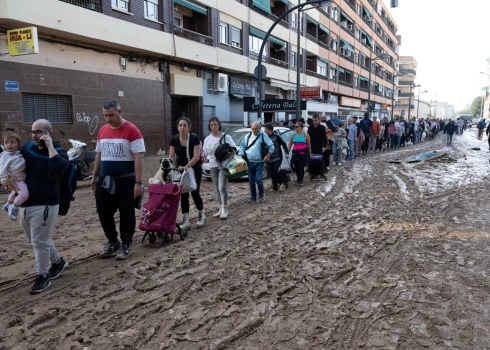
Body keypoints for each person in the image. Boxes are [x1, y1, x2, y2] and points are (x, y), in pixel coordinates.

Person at [19, 119, 69, 293]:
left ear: (49, 133)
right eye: (33, 131)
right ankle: (58, 262)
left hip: (46, 203)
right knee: (36, 239)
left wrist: (49, 147)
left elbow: (60, 169)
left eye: (39, 132)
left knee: (39, 240)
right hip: (25, 202)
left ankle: (42, 276)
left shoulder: (59, 152)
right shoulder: (27, 148)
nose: (35, 135)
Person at [91, 100, 145, 260]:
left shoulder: (132, 131)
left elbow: (139, 159)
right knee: (102, 210)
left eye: (111, 115)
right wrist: (94, 175)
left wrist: (139, 183)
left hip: (127, 180)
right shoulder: (102, 131)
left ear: (120, 112)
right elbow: (99, 155)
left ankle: (126, 243)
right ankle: (113, 241)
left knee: (126, 212)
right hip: (105, 180)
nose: (108, 119)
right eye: (105, 115)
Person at [169, 117, 205, 228]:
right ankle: (186, 220)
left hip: (194, 169)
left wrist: (186, 167)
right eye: (180, 125)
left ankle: (201, 215)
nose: (182, 128)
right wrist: (169, 165)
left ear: (189, 127)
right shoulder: (174, 139)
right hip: (180, 169)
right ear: (177, 127)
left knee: (195, 192)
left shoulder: (194, 138)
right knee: (183, 194)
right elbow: (171, 156)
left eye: (185, 125)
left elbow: (196, 156)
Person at [203, 117, 237, 219]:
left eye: (215, 125)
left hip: (223, 165)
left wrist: (230, 157)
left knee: (222, 187)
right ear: (209, 126)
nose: (213, 127)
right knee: (216, 187)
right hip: (212, 165)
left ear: (219, 125)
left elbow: (234, 149)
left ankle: (225, 209)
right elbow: (204, 153)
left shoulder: (226, 136)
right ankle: (220, 208)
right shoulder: (207, 139)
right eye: (211, 125)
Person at [239, 121, 274, 202]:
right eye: (252, 129)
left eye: (256, 129)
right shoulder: (248, 136)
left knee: (259, 179)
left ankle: (261, 194)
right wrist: (240, 156)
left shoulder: (263, 135)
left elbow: (271, 146)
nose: (254, 131)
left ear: (259, 128)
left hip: (260, 162)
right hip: (250, 162)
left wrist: (268, 155)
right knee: (251, 180)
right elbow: (242, 147)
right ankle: (253, 197)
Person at [1, 128, 29, 221]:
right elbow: (2, 168)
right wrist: (3, 180)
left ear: (18, 144)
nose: (9, 144)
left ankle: (8, 204)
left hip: (21, 177)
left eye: (12, 142)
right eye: (6, 143)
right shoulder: (5, 155)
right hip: (16, 178)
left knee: (15, 192)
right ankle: (13, 207)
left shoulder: (17, 152)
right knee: (24, 194)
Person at [264, 123, 288, 192]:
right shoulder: (265, 138)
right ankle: (275, 187)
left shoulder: (277, 137)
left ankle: (282, 182)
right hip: (269, 158)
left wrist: (287, 153)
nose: (264, 131)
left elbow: (284, 144)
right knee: (271, 173)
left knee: (275, 171)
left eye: (265, 129)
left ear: (270, 130)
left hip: (277, 157)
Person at [287, 121, 311, 186]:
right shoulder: (293, 135)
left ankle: (300, 180)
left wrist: (310, 153)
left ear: (301, 127)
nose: (295, 128)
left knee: (300, 167)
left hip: (302, 154)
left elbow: (308, 145)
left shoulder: (306, 135)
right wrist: (287, 151)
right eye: (295, 126)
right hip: (295, 153)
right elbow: (290, 144)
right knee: (296, 167)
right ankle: (298, 179)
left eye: (296, 126)